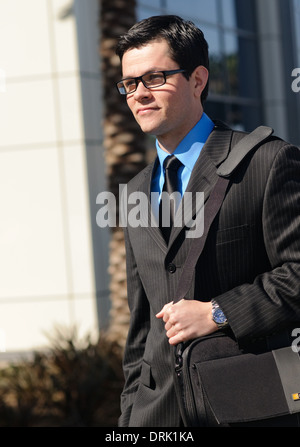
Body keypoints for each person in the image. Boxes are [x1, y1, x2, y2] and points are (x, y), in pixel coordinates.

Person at [115, 14, 300, 427]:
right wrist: (129, 418)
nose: (139, 94)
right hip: (155, 416)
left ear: (198, 80)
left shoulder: (267, 162)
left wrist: (219, 312)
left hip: (248, 404)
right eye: (129, 83)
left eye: (155, 78)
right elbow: (141, 330)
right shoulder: (134, 192)